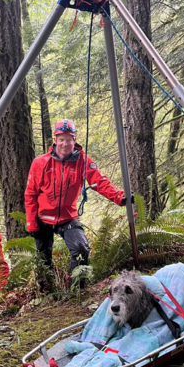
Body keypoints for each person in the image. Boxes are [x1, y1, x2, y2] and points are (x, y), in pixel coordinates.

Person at [25, 119, 127, 290]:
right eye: (62, 139)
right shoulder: (40, 163)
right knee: (43, 259)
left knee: (81, 249)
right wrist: (32, 223)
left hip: (67, 217)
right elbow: (30, 194)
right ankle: (45, 292)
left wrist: (119, 197)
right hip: (43, 217)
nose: (65, 143)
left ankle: (75, 290)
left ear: (75, 139)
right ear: (55, 139)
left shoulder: (83, 161)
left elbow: (99, 182)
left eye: (69, 139)